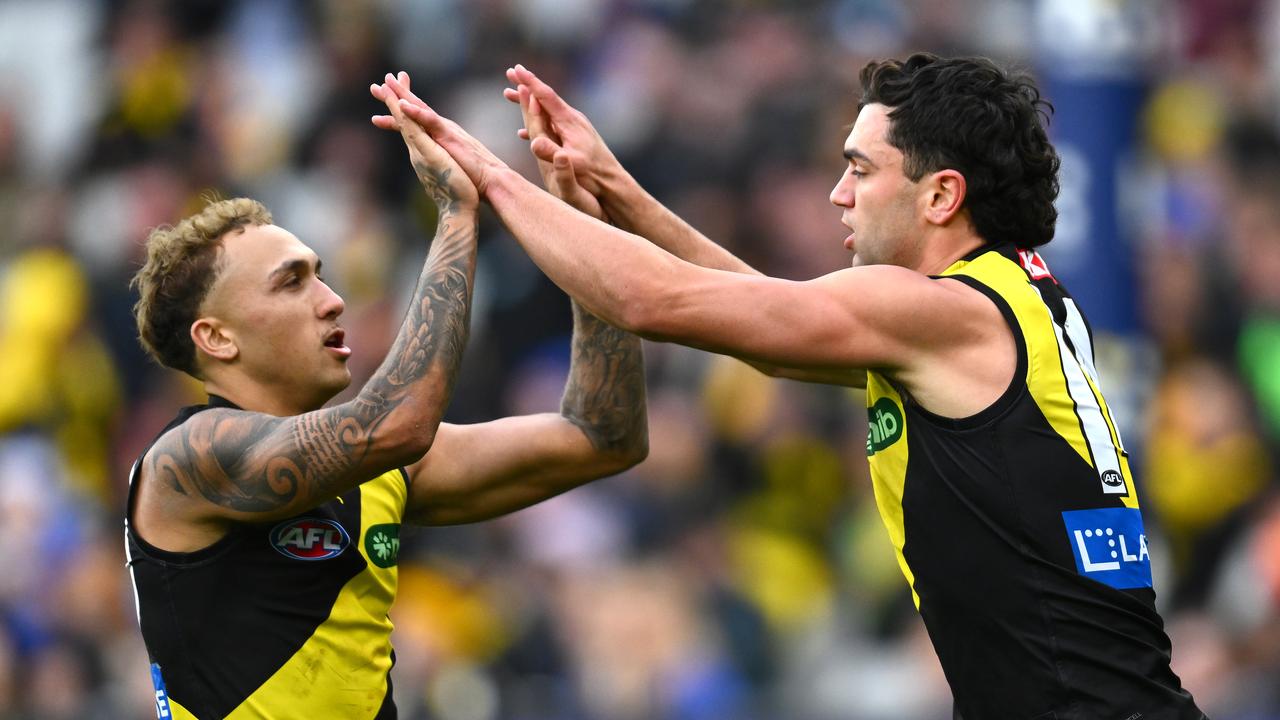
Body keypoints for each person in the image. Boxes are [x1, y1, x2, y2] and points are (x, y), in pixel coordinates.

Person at [375, 53, 1206, 719]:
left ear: (942, 194)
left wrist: (482, 176)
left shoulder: (937, 313)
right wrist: (617, 192)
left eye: (860, 169)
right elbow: (768, 327)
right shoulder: (1015, 301)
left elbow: (651, 301)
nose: (837, 193)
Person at [124, 74, 647, 720]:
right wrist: (456, 216)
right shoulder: (189, 459)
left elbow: (605, 435)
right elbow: (399, 422)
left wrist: (587, 239)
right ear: (217, 338)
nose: (332, 299)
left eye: (321, 275)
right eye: (291, 284)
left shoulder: (382, 471)